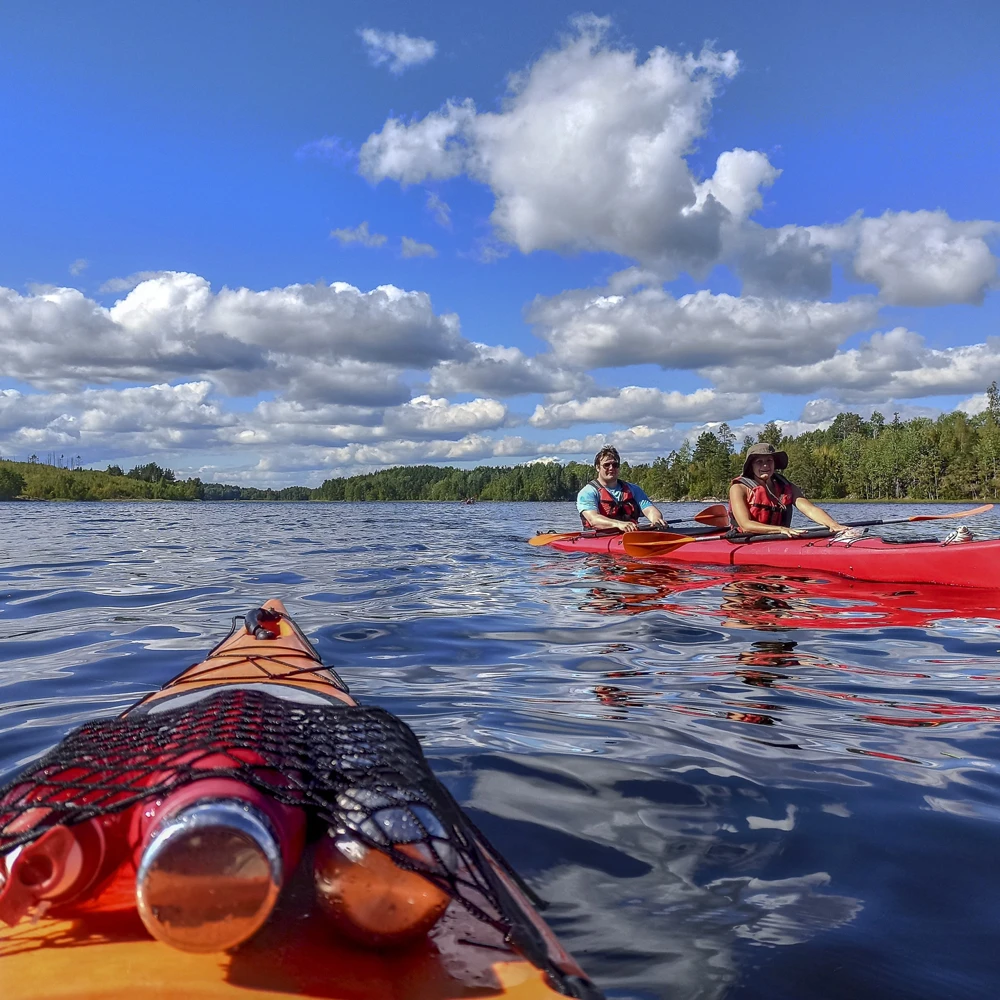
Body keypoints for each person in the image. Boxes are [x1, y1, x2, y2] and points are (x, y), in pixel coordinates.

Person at [729, 442, 848, 537]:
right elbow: (745, 525)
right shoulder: (738, 488)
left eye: (769, 461)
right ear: (751, 466)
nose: (765, 466)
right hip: (747, 540)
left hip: (779, 537)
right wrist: (780, 529)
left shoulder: (785, 486)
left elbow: (810, 509)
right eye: (759, 462)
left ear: (774, 464)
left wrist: (833, 524)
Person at [576, 446, 666, 533]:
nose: (611, 468)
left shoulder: (634, 489)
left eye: (615, 465)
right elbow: (593, 519)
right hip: (599, 537)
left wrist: (656, 519)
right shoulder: (587, 492)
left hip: (630, 535)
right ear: (597, 467)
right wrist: (619, 524)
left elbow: (650, 510)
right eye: (606, 465)